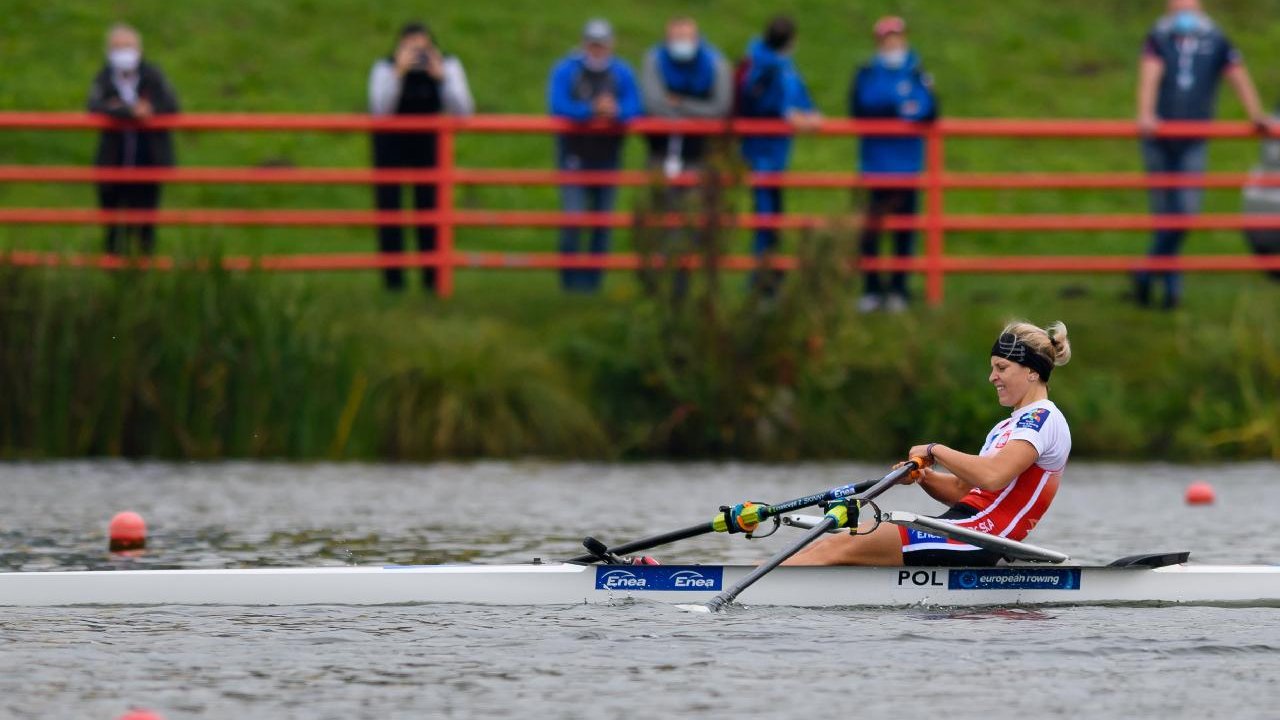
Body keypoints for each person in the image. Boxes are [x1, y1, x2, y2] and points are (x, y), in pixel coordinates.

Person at [788, 320, 1072, 567]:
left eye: (1001, 367)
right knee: (827, 546)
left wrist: (935, 450)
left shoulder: (1042, 419)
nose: (992, 377)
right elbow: (964, 490)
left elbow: (992, 476)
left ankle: (758, 592)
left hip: (984, 537)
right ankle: (764, 582)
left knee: (838, 546)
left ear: (1032, 371)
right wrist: (925, 477)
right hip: (964, 527)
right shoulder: (1007, 427)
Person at [1135, 0, 1274, 309]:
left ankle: (1146, 272)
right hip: (1158, 137)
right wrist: (1145, 115)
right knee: (1164, 216)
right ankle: (1170, 289)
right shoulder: (1159, 36)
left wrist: (1256, 114)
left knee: (1184, 213)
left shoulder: (1215, 38)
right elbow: (1150, 75)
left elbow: (1237, 73)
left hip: (1194, 138)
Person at [368, 22, 474, 293]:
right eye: (410, 48)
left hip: (429, 142)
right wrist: (398, 74)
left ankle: (432, 280)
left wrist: (442, 78)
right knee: (389, 211)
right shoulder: (384, 68)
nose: (417, 54)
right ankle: (393, 283)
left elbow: (464, 112)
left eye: (423, 48)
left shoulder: (447, 66)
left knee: (430, 210)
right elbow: (379, 110)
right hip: (390, 144)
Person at [850, 16, 937, 313]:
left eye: (897, 38)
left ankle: (899, 290)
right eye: (888, 39)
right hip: (874, 166)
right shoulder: (866, 72)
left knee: (904, 232)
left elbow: (928, 109)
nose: (893, 44)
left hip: (907, 167)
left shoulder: (917, 71)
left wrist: (898, 108)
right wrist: (900, 106)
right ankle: (872, 289)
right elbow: (863, 106)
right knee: (870, 232)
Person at [639, 17, 732, 296]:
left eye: (686, 36)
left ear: (697, 37)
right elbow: (652, 104)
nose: (681, 42)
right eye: (676, 36)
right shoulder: (654, 60)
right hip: (660, 154)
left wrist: (680, 105)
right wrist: (695, 112)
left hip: (699, 156)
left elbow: (720, 108)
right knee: (658, 219)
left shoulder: (715, 64)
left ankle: (685, 285)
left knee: (692, 222)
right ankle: (654, 285)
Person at [548, 19, 642, 293]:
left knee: (602, 221)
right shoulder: (567, 70)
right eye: (592, 43)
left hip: (608, 155)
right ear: (584, 42)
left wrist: (615, 112)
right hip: (573, 154)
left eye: (602, 44)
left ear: (611, 44)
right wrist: (592, 110)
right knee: (573, 219)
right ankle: (569, 282)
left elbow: (635, 106)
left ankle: (593, 284)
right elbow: (558, 105)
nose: (597, 49)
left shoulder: (621, 72)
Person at [736, 16, 821, 294]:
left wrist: (809, 113)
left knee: (773, 215)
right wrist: (791, 115)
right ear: (792, 41)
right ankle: (761, 283)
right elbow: (761, 103)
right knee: (765, 216)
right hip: (761, 152)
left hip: (776, 154)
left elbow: (799, 97)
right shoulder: (763, 67)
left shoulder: (781, 66)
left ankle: (770, 278)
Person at [86, 23, 179, 256]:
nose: (123, 52)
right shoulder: (104, 77)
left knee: (145, 225)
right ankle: (113, 271)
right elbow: (94, 106)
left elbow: (171, 105)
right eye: (117, 47)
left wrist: (150, 109)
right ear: (108, 51)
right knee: (112, 226)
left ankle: (143, 274)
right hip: (112, 162)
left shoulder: (153, 75)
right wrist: (128, 112)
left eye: (127, 46)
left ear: (139, 48)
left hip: (148, 162)